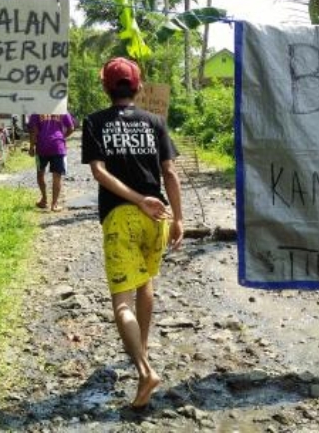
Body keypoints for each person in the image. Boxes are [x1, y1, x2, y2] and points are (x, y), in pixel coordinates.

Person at [81, 57, 184, 409]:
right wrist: (179, 219)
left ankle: (144, 370)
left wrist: (137, 199)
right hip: (157, 216)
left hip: (122, 215)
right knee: (146, 283)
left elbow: (98, 171)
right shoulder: (155, 121)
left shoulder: (95, 122)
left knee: (120, 300)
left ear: (106, 88)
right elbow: (170, 174)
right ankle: (143, 345)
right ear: (138, 87)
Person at [28, 112, 76, 212]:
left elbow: (34, 131)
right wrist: (61, 137)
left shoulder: (36, 112)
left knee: (40, 173)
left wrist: (31, 147)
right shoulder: (62, 110)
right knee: (57, 176)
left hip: (41, 147)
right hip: (58, 146)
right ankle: (54, 204)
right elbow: (71, 128)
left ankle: (44, 199)